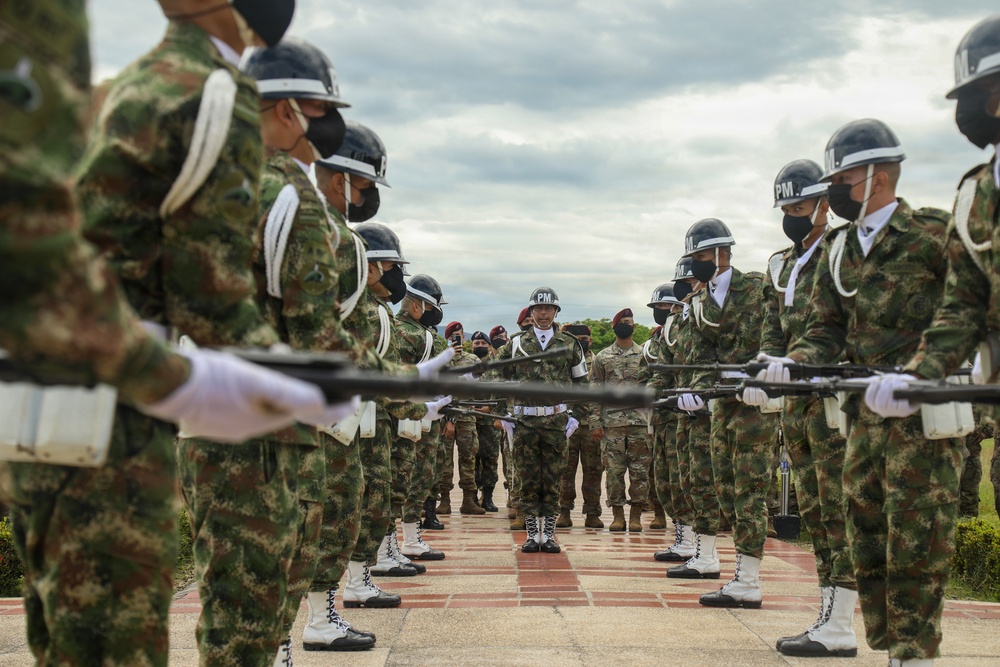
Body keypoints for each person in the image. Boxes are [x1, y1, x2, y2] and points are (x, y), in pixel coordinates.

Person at [9, 3, 342, 665]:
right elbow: (209, 296)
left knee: (67, 641)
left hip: (34, 399)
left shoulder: (124, 84)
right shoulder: (216, 91)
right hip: (116, 406)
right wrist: (295, 381)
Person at [766, 118, 954, 666]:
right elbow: (825, 328)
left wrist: (921, 371)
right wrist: (792, 364)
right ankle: (884, 644)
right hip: (862, 419)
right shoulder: (840, 249)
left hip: (923, 418)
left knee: (916, 544)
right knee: (868, 543)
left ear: (877, 175)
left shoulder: (933, 234)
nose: (834, 189)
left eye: (842, 177)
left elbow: (966, 310)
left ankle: (912, 656)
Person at [748, 159, 857, 657]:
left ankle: (841, 624)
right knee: (815, 509)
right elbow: (774, 325)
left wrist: (799, 363)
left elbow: (846, 325)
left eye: (800, 204)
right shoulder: (780, 264)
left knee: (839, 508)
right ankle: (829, 617)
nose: (792, 214)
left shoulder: (844, 250)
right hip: (797, 404)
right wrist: (765, 369)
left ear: (822, 203)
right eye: (786, 206)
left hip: (833, 398)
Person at [675, 218, 776, 609]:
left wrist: (763, 371)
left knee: (750, 490)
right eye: (694, 257)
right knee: (726, 488)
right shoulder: (699, 303)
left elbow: (775, 332)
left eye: (701, 255)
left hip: (755, 402)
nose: (697, 263)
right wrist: (694, 389)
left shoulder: (755, 286)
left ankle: (748, 579)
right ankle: (737, 571)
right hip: (722, 404)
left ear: (722, 253)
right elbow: (701, 355)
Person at [496, 288, 589, 553]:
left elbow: (582, 383)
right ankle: (530, 534)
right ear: (531, 312)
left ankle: (548, 534)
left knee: (552, 477)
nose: (544, 313)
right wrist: (503, 412)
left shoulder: (570, 343)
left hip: (556, 422)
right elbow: (497, 376)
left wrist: (577, 417)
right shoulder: (515, 344)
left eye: (549, 309)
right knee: (527, 477)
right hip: (524, 422)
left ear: (556, 311)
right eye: (539, 309)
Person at [393, 275, 451, 563]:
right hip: (417, 417)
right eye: (433, 307)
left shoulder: (391, 328)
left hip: (407, 415)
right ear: (418, 306)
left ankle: (397, 543)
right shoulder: (419, 336)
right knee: (413, 478)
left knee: (406, 480)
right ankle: (405, 541)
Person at [641, 281, 691, 554]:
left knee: (682, 480)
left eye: (665, 305)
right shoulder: (652, 344)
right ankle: (682, 539)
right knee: (663, 482)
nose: (661, 311)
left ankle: (691, 541)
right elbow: (644, 376)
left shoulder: (686, 332)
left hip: (684, 418)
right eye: (657, 306)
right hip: (661, 420)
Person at [591, 309, 652, 532]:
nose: (627, 325)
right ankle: (618, 515)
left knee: (640, 472)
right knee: (614, 472)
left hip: (640, 423)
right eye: (623, 322)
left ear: (634, 328)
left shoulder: (646, 355)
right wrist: (595, 422)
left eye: (630, 322)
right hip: (612, 425)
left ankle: (636, 515)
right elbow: (595, 390)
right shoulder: (602, 357)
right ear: (615, 327)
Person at [557, 324, 604, 528]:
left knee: (593, 471)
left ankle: (592, 513)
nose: (581, 341)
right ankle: (564, 511)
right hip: (568, 422)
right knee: (565, 470)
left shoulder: (599, 361)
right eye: (577, 338)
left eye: (584, 338)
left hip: (591, 423)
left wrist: (598, 421)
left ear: (590, 340)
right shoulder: (563, 360)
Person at [438, 321, 486, 515]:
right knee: (444, 459)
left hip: (466, 415)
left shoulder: (473, 359)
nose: (456, 339)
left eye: (459, 335)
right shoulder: (441, 359)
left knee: (468, 457)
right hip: (445, 415)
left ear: (464, 338)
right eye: (452, 336)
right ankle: (444, 500)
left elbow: (478, 385)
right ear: (447, 339)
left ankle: (469, 499)